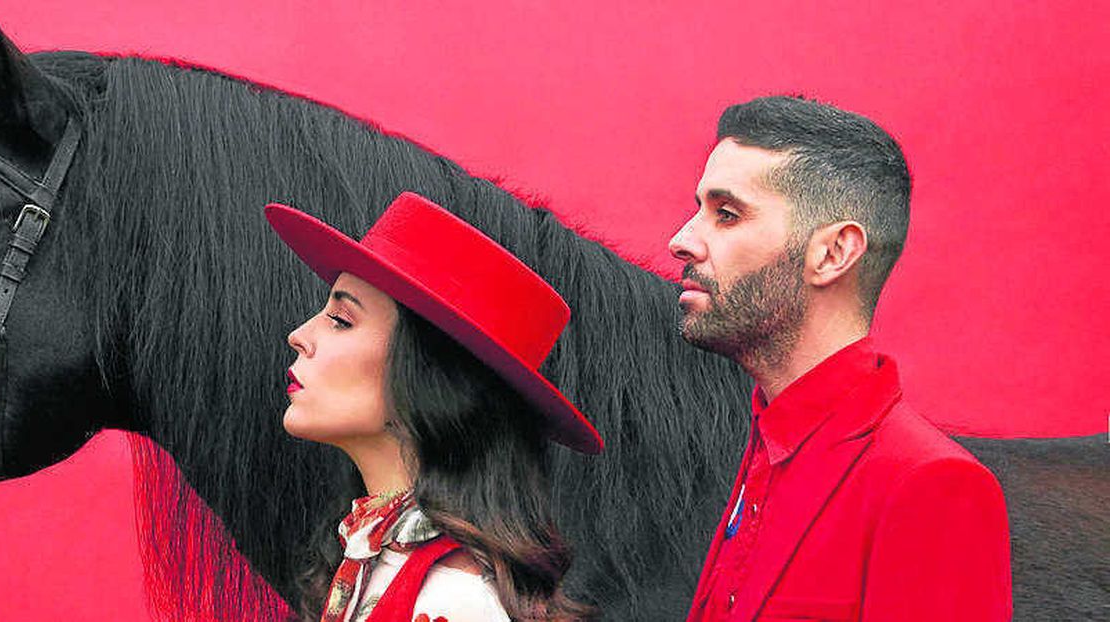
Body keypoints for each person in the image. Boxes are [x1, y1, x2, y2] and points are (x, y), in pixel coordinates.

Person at [668, 95, 1011, 621]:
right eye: (700, 210)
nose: (682, 241)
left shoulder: (931, 485)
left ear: (833, 254)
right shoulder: (765, 448)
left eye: (727, 214)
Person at [264, 192, 602, 622]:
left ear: (430, 376)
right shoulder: (372, 560)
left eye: (341, 320)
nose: (299, 335)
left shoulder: (453, 599)